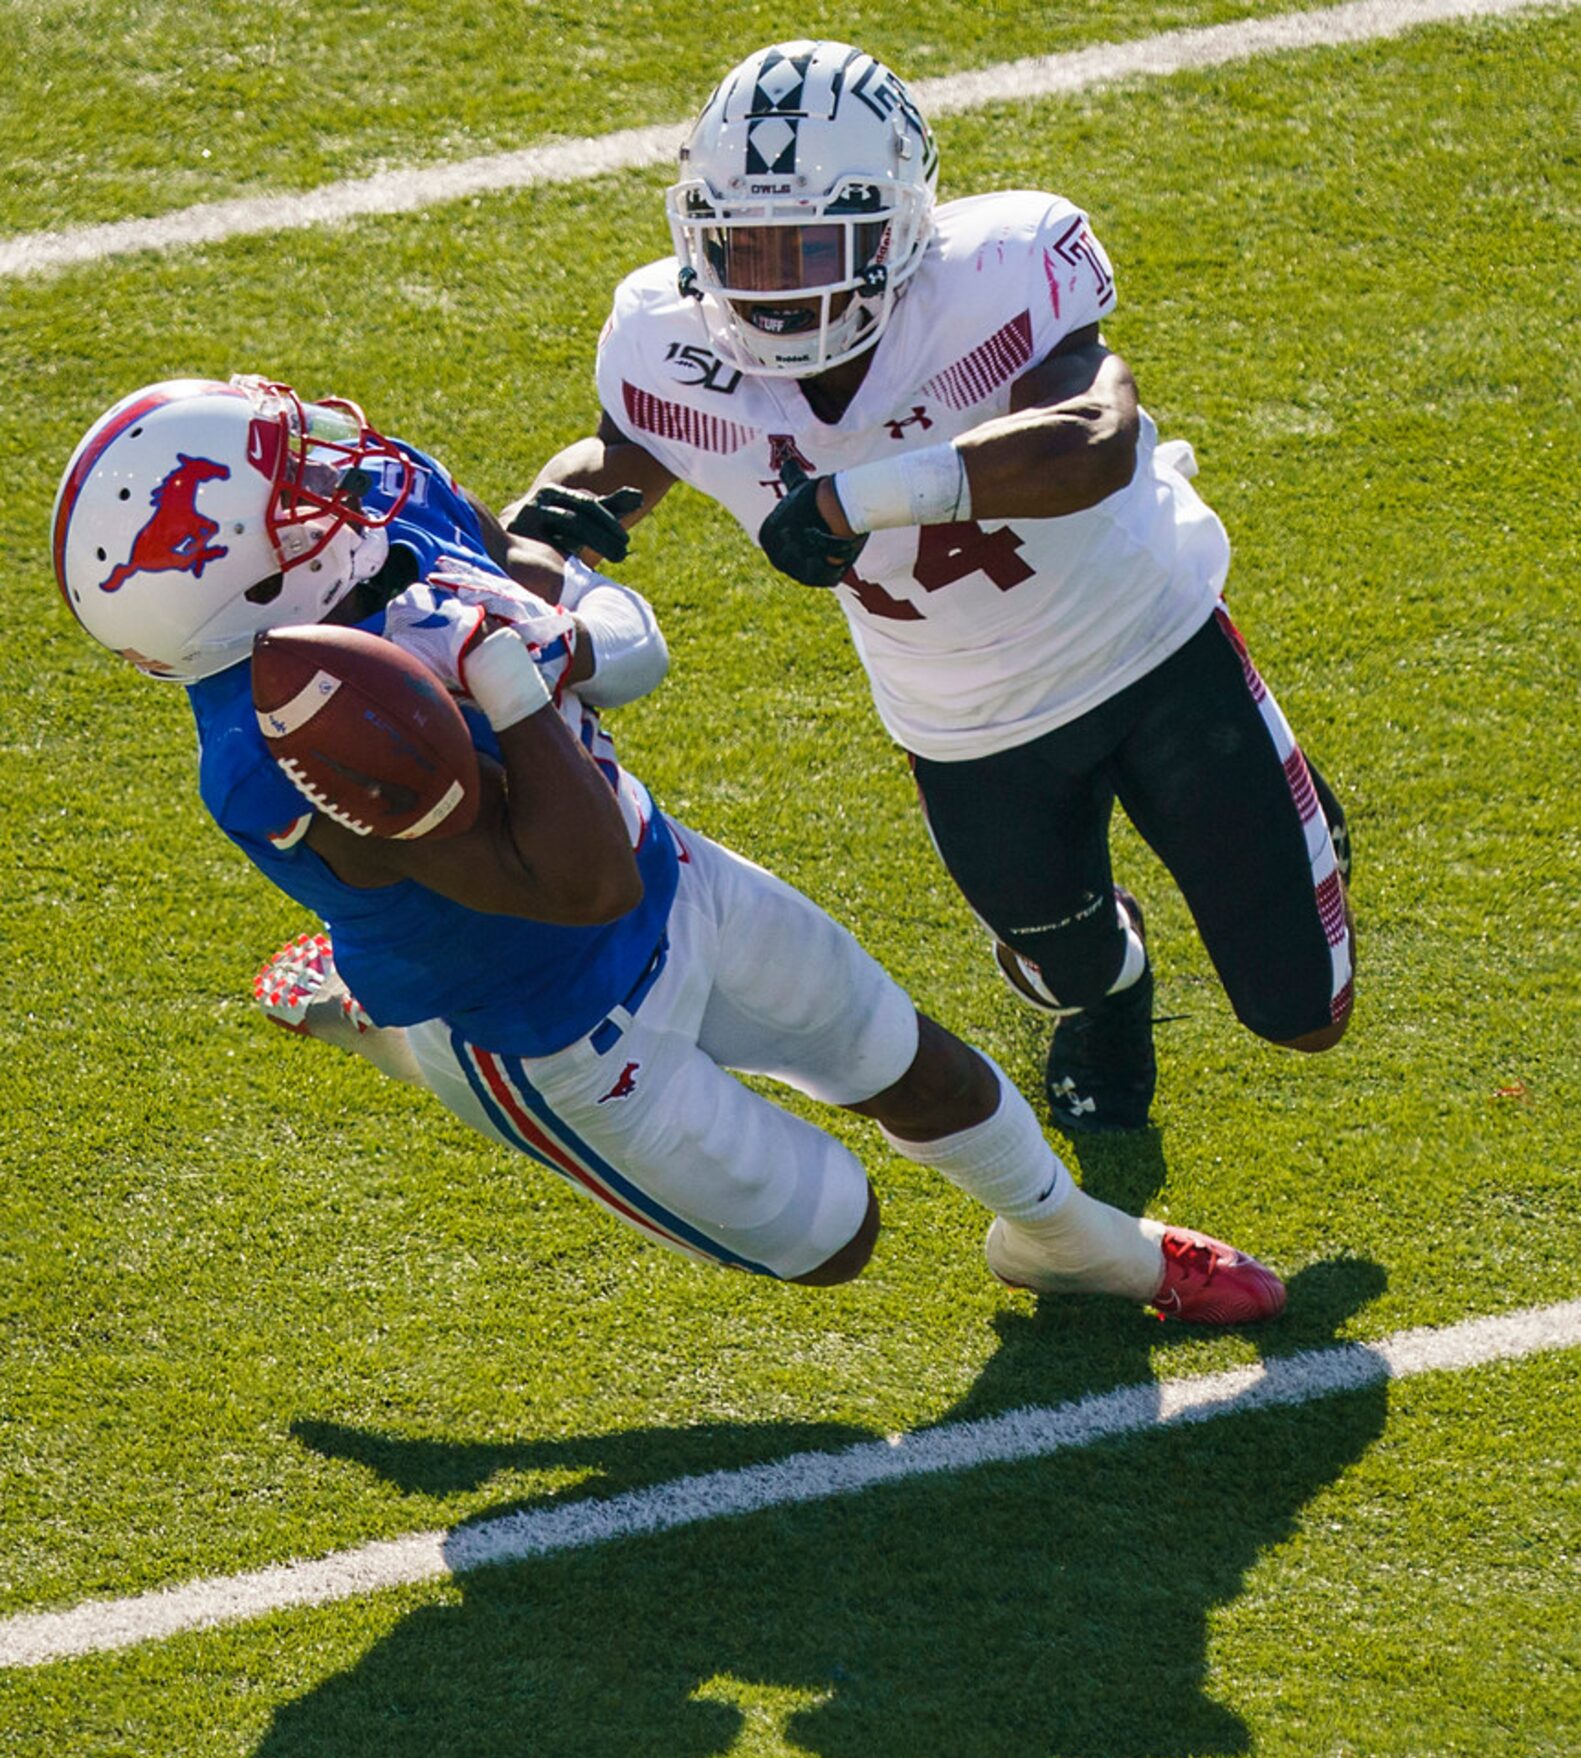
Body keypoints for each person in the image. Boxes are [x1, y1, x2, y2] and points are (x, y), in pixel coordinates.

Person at [50, 372, 1286, 1321]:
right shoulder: (279, 749)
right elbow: (570, 888)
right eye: (287, 483)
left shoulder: (370, 504)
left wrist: (556, 619)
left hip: (663, 867)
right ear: (236, 577)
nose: (334, 463)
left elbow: (533, 576)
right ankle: (377, 1017)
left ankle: (1072, 1245)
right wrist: (519, 682)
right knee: (840, 1239)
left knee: (922, 1070)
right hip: (546, 1017)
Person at [516, 38, 1355, 1135]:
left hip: (1150, 652)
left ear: (902, 225)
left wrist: (856, 499)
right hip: (958, 719)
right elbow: (618, 455)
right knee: (1063, 970)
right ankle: (1119, 987)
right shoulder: (666, 341)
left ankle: (1286, 817)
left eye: (814, 243)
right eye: (747, 247)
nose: (780, 284)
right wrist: (546, 527)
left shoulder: (998, 271)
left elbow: (1093, 439)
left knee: (1305, 1017)